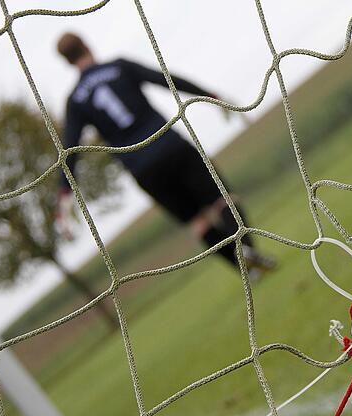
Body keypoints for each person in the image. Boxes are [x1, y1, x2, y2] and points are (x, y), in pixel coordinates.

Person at [55, 32, 274, 279]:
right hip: (170, 146)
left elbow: (69, 149)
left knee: (198, 222)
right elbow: (166, 79)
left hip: (143, 169)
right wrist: (210, 95)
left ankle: (247, 270)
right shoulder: (119, 67)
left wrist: (65, 194)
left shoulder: (75, 101)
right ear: (86, 44)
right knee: (222, 199)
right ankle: (247, 251)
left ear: (67, 61)